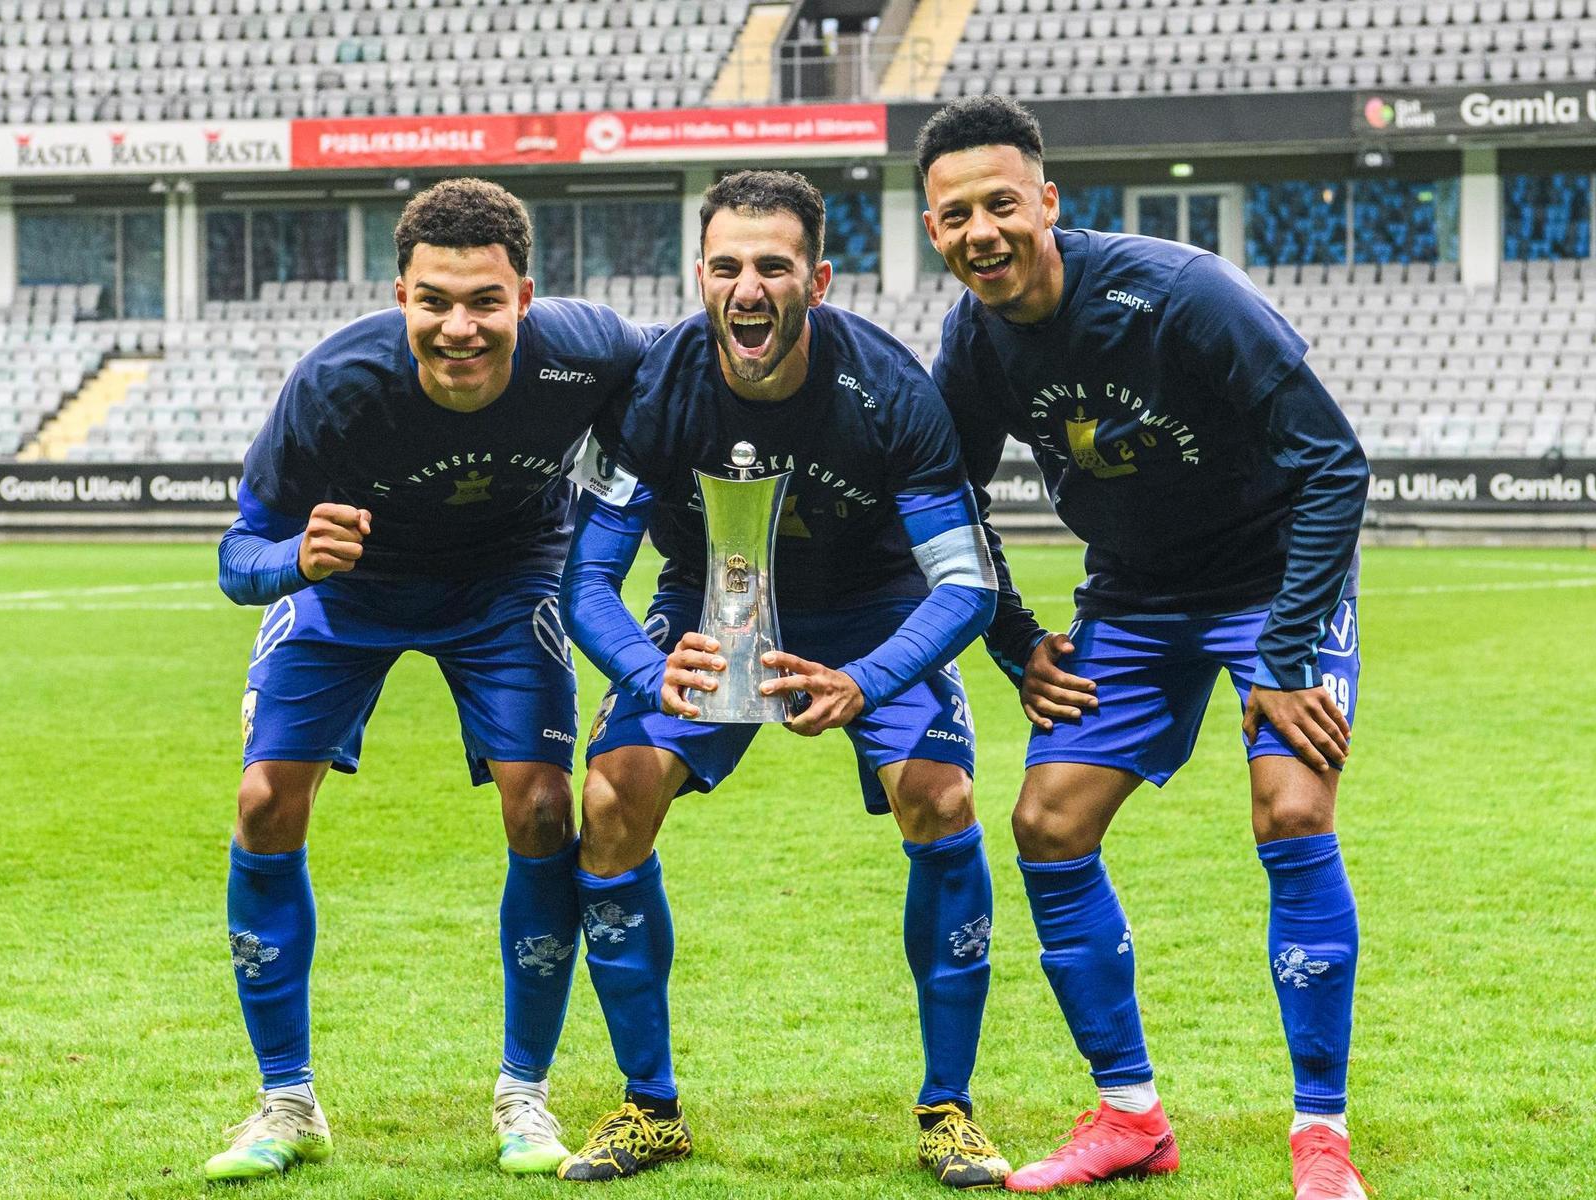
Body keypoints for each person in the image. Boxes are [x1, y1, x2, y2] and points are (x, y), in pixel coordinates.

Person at [917, 97, 1372, 1199]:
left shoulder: (1182, 294)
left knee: (1295, 808)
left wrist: (1288, 651)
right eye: (952, 215)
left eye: (999, 205)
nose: (980, 232)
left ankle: (1322, 1140)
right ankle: (1131, 1117)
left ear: (1047, 204)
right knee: (1047, 819)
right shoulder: (975, 340)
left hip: (1272, 588)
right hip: (1134, 596)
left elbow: (1334, 465)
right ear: (933, 230)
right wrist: (1016, 639)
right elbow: (945, 500)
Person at [557, 170, 1007, 1188]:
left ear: (821, 279)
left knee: (940, 797)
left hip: (874, 607)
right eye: (727, 266)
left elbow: (963, 586)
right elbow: (586, 579)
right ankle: (649, 1106)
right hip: (714, 599)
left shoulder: (891, 392)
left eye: (773, 266)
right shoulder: (657, 389)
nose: (748, 288)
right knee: (613, 794)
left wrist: (868, 677)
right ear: (700, 274)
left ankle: (950, 1110)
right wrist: (643, 664)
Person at [209, 178, 654, 1182]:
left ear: (525, 297)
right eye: (435, 302)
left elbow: (671, 379)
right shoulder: (334, 383)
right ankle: (285, 1099)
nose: (461, 327)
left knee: (542, 807)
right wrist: (297, 562)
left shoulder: (591, 350)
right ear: (400, 293)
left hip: (508, 582)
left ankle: (525, 1097)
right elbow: (239, 555)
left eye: (485, 302)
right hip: (349, 591)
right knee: (264, 801)